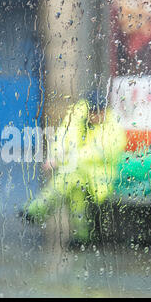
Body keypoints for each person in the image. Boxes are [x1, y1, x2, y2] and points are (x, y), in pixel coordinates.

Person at [25, 94, 127, 243]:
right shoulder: (78, 118)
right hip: (79, 174)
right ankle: (82, 236)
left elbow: (99, 153)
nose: (96, 116)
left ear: (105, 111)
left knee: (70, 177)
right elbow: (63, 138)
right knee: (75, 187)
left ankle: (38, 209)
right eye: (93, 112)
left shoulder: (114, 126)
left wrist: (62, 160)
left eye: (99, 112)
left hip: (102, 178)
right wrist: (55, 156)